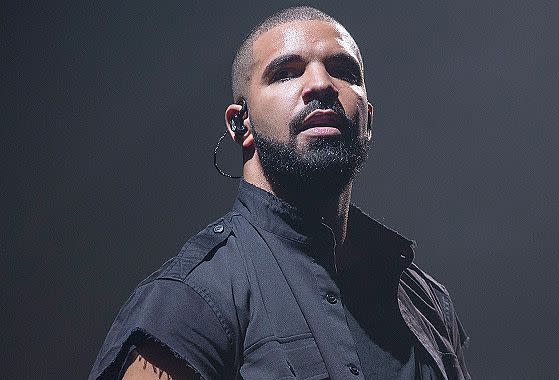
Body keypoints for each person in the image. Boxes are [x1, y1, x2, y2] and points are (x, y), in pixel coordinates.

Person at [90, 6, 471, 380]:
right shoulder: (190, 302)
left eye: (342, 70)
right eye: (286, 73)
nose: (321, 84)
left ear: (367, 118)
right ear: (241, 123)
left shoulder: (425, 300)